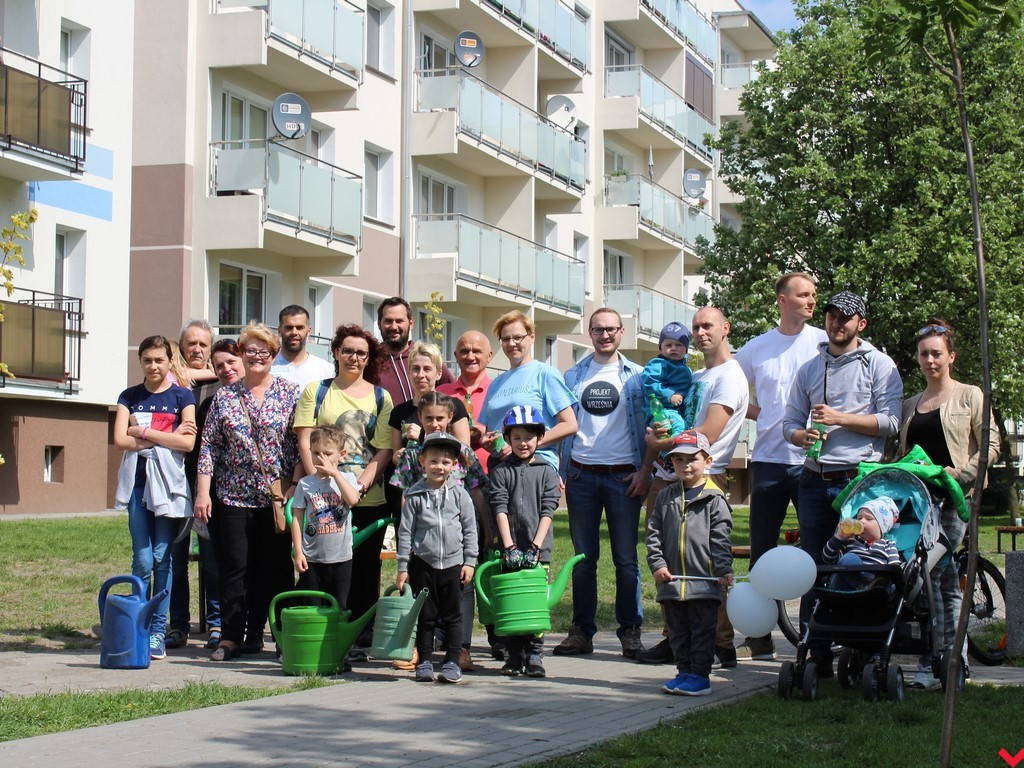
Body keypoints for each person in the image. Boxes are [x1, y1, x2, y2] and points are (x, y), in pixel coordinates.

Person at [782, 290, 903, 676]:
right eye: (832, 315)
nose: (836, 323)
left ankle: (862, 648)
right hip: (813, 480)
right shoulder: (809, 368)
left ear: (860, 324)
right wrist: (800, 436)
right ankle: (816, 653)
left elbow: (891, 422)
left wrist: (840, 418)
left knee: (858, 565)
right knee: (814, 567)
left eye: (845, 317)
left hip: (858, 484)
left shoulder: (879, 364)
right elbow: (789, 422)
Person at [900, 318, 999, 689]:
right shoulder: (910, 404)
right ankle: (948, 662)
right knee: (930, 581)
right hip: (919, 504)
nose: (930, 360)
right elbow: (903, 455)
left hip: (956, 500)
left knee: (933, 570)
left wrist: (961, 473)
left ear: (951, 357)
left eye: (937, 354)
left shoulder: (970, 396)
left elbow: (990, 445)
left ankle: (940, 663)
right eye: (924, 354)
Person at [733, 272, 826, 661]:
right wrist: (766, 416)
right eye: (803, 295)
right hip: (769, 461)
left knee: (818, 551)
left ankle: (814, 640)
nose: (811, 301)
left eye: (814, 295)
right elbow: (732, 390)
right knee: (762, 550)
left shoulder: (824, 342)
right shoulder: (757, 347)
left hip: (815, 463)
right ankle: (759, 637)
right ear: (782, 300)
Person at [195, 322, 301, 661]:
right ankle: (231, 636)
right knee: (236, 567)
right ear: (240, 353)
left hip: (277, 497)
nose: (256, 356)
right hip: (232, 495)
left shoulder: (290, 393)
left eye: (263, 351)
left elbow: (300, 445)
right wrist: (203, 493)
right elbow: (209, 447)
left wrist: (295, 485)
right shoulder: (225, 396)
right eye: (250, 350)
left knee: (276, 569)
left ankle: (277, 635)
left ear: (273, 354)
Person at [293, 324, 394, 658]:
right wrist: (319, 485)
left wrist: (359, 487)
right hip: (323, 501)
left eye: (361, 353)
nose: (354, 357)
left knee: (364, 571)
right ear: (336, 352)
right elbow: (305, 441)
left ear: (369, 358)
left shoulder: (381, 397)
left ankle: (360, 636)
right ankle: (320, 634)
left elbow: (383, 449)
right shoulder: (317, 391)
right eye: (347, 350)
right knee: (324, 570)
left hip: (367, 498)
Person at [554, 308, 651, 659]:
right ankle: (582, 631)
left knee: (626, 559)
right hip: (581, 475)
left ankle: (630, 632)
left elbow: (651, 427)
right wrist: (561, 470)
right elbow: (563, 423)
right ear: (589, 332)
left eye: (611, 329)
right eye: (598, 329)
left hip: (624, 476)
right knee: (583, 559)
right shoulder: (573, 375)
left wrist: (646, 472)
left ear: (622, 332)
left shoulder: (638, 377)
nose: (605, 335)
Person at [390, 389, 491, 672]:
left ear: (450, 418)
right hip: (423, 541)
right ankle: (416, 649)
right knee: (422, 597)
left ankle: (461, 650)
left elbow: (476, 492)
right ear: (420, 418)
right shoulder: (414, 455)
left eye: (440, 419)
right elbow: (405, 495)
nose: (435, 424)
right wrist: (406, 541)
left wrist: (487, 530)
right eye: (429, 418)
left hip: (456, 539)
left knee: (460, 595)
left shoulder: (462, 453)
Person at [114, 335, 197, 660]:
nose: (153, 366)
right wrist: (166, 438)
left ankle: (158, 631)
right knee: (143, 559)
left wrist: (143, 432)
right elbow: (120, 440)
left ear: (170, 361)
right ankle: (139, 623)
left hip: (168, 487)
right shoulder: (129, 396)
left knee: (163, 557)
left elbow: (188, 443)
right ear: (140, 362)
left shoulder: (182, 396)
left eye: (159, 360)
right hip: (138, 485)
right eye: (147, 360)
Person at [646, 430, 734, 697]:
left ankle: (700, 677)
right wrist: (657, 564)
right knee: (678, 633)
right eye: (678, 460)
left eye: (692, 459)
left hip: (703, 584)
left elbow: (721, 539)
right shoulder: (665, 496)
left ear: (708, 461)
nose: (685, 465)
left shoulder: (715, 499)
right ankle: (683, 672)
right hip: (672, 582)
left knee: (702, 633)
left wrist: (723, 570)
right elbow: (653, 533)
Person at [395, 432, 478, 684]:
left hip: (453, 564)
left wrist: (470, 561)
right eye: (433, 461)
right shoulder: (414, 495)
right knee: (426, 616)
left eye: (445, 462)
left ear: (454, 465)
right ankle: (425, 661)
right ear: (422, 461)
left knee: (453, 616)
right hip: (424, 564)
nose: (439, 467)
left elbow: (470, 529)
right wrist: (403, 567)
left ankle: (452, 662)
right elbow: (405, 532)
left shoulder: (460, 494)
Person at [490, 406, 562, 677]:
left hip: (538, 551)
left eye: (529, 437)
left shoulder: (547, 472)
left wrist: (535, 546)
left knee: (535, 603)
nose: (523, 443)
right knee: (512, 602)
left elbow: (548, 510)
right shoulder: (500, 471)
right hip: (509, 549)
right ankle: (513, 655)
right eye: (517, 437)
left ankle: (534, 654)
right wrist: (508, 546)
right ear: (508, 439)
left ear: (540, 438)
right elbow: (499, 508)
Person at [168, 320, 223, 651]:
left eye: (203, 344)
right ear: (181, 347)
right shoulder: (170, 381)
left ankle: (216, 623)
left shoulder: (221, 386)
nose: (197, 349)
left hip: (209, 482)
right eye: (191, 343)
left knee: (212, 555)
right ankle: (178, 625)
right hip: (174, 479)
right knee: (175, 555)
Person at [479, 311, 578, 471]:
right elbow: (490, 429)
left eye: (518, 337)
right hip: (501, 467)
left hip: (534, 465)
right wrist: (487, 442)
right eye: (505, 339)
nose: (511, 343)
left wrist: (526, 444)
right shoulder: (496, 383)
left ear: (532, 337)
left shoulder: (544, 374)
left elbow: (569, 424)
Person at [290, 424, 362, 612]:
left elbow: (353, 499)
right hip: (312, 558)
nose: (321, 458)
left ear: (341, 454)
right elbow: (297, 519)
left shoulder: (347, 479)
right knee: (311, 607)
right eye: (316, 453)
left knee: (339, 607)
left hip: (341, 558)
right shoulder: (305, 484)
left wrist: (335, 473)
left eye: (327, 454)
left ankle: (335, 633)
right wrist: (298, 552)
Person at [389, 341, 471, 458]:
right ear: (409, 372)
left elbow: (466, 455)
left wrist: (424, 436)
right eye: (416, 369)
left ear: (438, 373)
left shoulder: (454, 406)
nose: (420, 375)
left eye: (427, 369)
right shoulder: (399, 412)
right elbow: (395, 455)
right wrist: (397, 457)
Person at [375, 297, 453, 405]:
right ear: (379, 324)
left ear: (411, 323)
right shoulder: (371, 361)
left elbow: (452, 393)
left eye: (399, 321)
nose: (394, 327)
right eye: (388, 321)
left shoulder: (424, 357)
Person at [437, 330, 495, 471]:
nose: (470, 357)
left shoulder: (498, 391)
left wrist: (487, 431)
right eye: (464, 351)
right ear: (456, 356)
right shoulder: (441, 393)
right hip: (448, 475)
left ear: (489, 356)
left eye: (476, 351)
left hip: (491, 474)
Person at [822, 498, 901, 590]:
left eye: (869, 519)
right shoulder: (850, 541)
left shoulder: (888, 544)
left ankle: (869, 586)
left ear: (881, 527)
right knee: (848, 558)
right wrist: (838, 538)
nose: (861, 521)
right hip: (847, 586)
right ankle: (862, 585)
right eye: (859, 518)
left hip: (876, 585)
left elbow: (894, 567)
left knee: (892, 581)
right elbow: (827, 559)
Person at [641, 321, 693, 435]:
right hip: (660, 411)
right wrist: (669, 395)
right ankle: (672, 446)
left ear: (686, 349)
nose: (673, 348)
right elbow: (649, 382)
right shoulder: (658, 364)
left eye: (678, 345)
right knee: (679, 426)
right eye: (668, 345)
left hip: (677, 411)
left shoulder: (687, 369)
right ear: (661, 348)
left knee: (686, 426)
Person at [271, 304, 336, 392]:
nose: (294, 332)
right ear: (279, 331)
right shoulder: (268, 367)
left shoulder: (326, 370)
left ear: (309, 331)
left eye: (299, 327)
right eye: (289, 328)